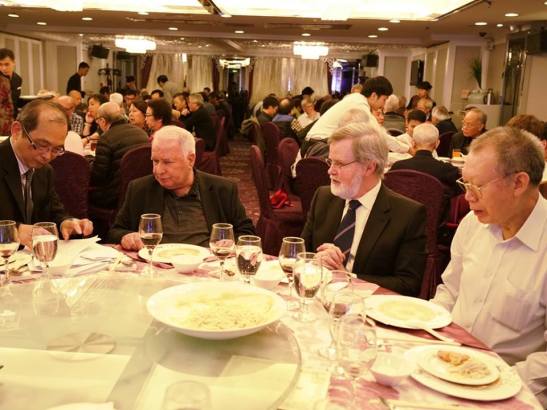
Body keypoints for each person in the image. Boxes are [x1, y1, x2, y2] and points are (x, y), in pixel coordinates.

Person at [431, 127, 547, 407]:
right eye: (465, 184)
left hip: (510, 387)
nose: (467, 198)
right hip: (446, 365)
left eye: (477, 186)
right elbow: (451, 290)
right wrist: (430, 331)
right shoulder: (473, 224)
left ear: (518, 183)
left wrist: (492, 380)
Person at [301, 122, 427, 296]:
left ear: (369, 167)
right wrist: (313, 261)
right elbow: (301, 254)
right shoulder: (323, 197)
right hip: (317, 299)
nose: (330, 171)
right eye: (330, 161)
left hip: (368, 307)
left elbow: (408, 285)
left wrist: (348, 278)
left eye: (339, 164)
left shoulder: (407, 214)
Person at [108, 126, 255, 248]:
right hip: (155, 266)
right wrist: (126, 237)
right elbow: (116, 231)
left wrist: (232, 242)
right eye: (155, 161)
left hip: (207, 266)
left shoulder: (222, 189)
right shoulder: (140, 189)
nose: (158, 170)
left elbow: (247, 233)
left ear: (190, 159)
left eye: (167, 162)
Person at [0, 99, 93, 247]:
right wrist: (15, 231)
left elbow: (53, 211)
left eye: (56, 149)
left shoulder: (45, 170)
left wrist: (65, 223)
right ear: (17, 131)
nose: (47, 156)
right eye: (42, 145)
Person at [390, 123, 461, 214]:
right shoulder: (448, 170)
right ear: (437, 144)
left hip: (401, 215)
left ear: (413, 143)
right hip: (435, 219)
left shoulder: (398, 167)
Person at [89, 102, 149, 208]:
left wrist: (88, 164)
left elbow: (98, 176)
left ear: (103, 121)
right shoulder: (142, 133)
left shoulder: (106, 138)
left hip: (115, 196)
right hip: (142, 191)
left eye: (98, 121)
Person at [0, 48, 22, 118]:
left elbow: (15, 101)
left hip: (13, 118)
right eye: (0, 64)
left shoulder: (18, 79)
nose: (3, 68)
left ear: (14, 62)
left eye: (7, 64)